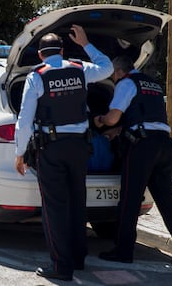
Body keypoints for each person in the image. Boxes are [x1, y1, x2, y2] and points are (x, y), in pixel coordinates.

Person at [14, 25, 113, 281]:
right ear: (61, 50)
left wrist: (19, 152)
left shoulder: (37, 77)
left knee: (55, 208)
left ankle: (61, 266)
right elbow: (108, 68)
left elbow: (24, 120)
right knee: (78, 202)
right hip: (80, 147)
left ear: (40, 55)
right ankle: (78, 258)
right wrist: (86, 43)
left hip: (52, 149)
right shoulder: (80, 69)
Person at [94, 55, 172, 267]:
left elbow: (113, 117)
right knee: (168, 200)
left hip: (142, 147)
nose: (112, 79)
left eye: (112, 75)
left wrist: (101, 121)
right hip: (164, 144)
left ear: (118, 72)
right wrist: (118, 130)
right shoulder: (152, 84)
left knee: (130, 199)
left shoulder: (126, 83)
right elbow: (144, 117)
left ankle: (123, 250)